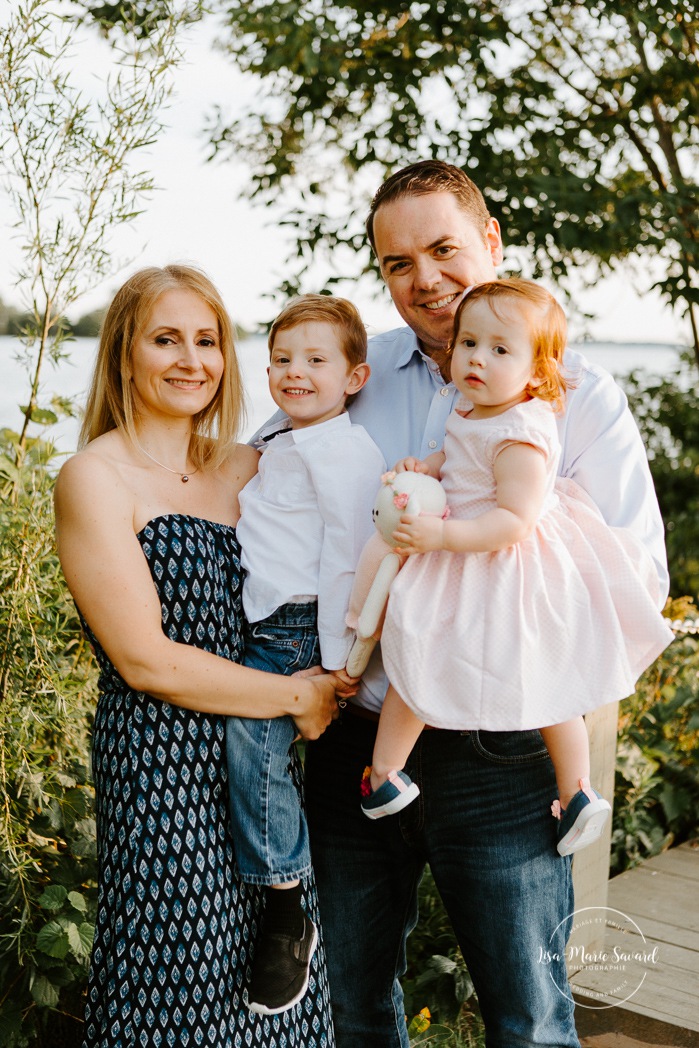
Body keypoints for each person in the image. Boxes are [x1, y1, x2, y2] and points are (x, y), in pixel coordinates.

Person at [293, 161, 669, 1048]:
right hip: (360, 731)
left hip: (504, 754)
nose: (422, 278)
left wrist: (490, 607)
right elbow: (259, 490)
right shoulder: (346, 375)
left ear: (490, 242)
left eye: (442, 248)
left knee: (527, 1019)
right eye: (396, 263)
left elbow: (635, 574)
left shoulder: (574, 397)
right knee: (347, 1005)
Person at [54, 265, 340, 1048]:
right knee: (174, 979)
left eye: (207, 341)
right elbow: (146, 660)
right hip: (162, 768)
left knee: (278, 990)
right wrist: (294, 698)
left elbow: (349, 516)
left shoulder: (249, 465)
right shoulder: (94, 478)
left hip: (260, 764)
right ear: (125, 354)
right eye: (166, 339)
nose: (191, 360)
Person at [359, 279, 673, 862]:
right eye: (468, 343)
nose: (477, 358)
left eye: (500, 349)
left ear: (536, 372)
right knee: (415, 653)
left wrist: (441, 534)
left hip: (500, 565)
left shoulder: (522, 434)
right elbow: (455, 457)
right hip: (460, 558)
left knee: (547, 681)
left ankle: (575, 792)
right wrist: (422, 466)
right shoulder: (472, 407)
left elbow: (513, 522)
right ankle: (385, 774)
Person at [227, 294, 385, 1014]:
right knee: (248, 754)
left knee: (253, 749)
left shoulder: (345, 450)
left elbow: (351, 562)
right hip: (260, 624)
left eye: (315, 361)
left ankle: (287, 908)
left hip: (297, 629)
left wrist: (336, 667)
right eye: (282, 360)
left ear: (354, 377)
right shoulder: (281, 440)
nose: (295, 373)